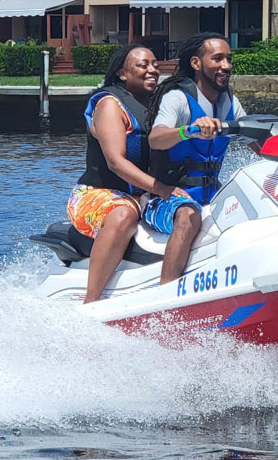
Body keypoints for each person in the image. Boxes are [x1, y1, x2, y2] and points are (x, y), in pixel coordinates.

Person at [67, 43, 197, 303]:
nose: (152, 70)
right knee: (123, 214)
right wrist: (161, 188)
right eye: (142, 65)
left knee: (192, 210)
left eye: (155, 65)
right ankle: (91, 302)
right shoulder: (110, 105)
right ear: (122, 74)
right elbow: (116, 162)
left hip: (144, 197)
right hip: (99, 194)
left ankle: (172, 291)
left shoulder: (160, 106)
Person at [145, 32, 247, 284]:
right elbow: (156, 138)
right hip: (165, 199)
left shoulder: (230, 102)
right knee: (188, 215)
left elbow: (257, 142)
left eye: (229, 59)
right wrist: (187, 130)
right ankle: (165, 294)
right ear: (196, 63)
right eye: (218, 59)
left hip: (212, 195)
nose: (226, 66)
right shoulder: (177, 98)